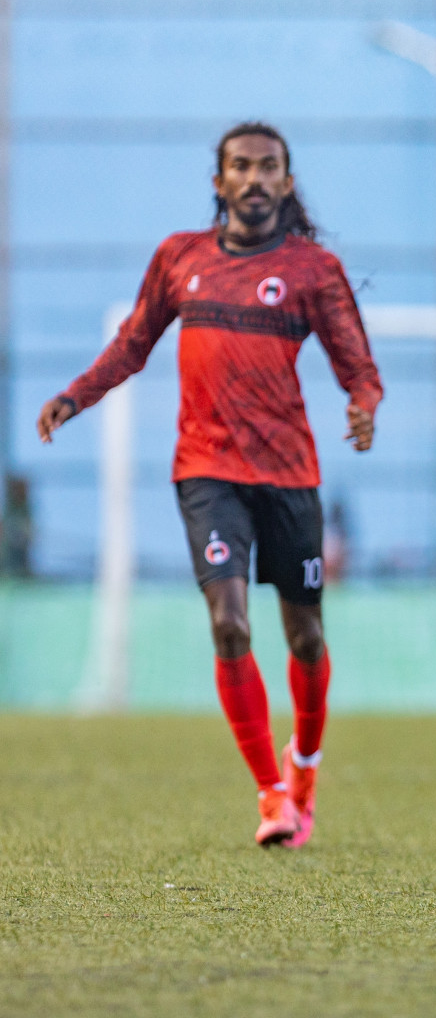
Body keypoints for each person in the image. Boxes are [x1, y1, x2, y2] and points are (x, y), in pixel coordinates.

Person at [37, 121, 383, 849]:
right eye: (240, 167)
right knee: (229, 623)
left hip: (289, 473)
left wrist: (364, 403)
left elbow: (355, 358)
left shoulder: (312, 268)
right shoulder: (180, 258)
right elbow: (134, 342)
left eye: (268, 168)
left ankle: (306, 768)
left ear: (287, 183)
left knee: (307, 634)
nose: (254, 180)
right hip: (207, 469)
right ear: (219, 180)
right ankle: (271, 795)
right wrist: (75, 396)